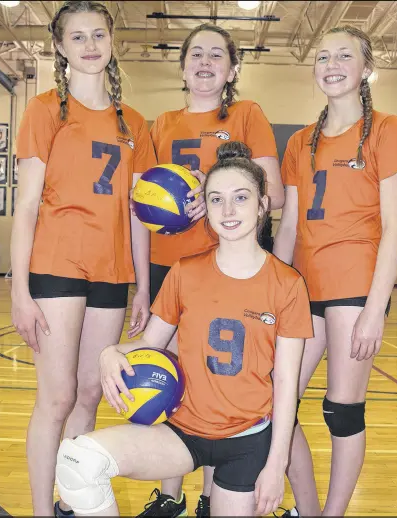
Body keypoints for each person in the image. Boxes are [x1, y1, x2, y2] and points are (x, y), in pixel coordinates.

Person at [54, 141, 313, 518]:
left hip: (246, 441)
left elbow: (287, 384)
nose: (228, 210)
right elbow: (150, 344)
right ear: (204, 209)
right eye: (216, 199)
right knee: (78, 461)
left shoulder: (288, 284)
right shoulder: (185, 272)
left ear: (261, 206)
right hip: (182, 433)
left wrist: (276, 466)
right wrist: (110, 352)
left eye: (241, 198)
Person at [10, 2, 156, 516]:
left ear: (112, 40)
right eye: (78, 37)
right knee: (56, 398)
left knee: (91, 392)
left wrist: (142, 284)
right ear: (61, 46)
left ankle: (72, 498)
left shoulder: (134, 121)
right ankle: (41, 510)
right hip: (56, 268)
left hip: (112, 272)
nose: (90, 45)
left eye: (98, 34)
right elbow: (27, 205)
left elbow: (140, 211)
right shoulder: (45, 109)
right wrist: (19, 291)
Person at [142, 25, 284, 515]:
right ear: (182, 66)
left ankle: (209, 497)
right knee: (168, 379)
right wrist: (143, 286)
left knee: (212, 382)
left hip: (227, 272)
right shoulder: (160, 124)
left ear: (232, 69)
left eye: (216, 55)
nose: (205, 62)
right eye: (195, 54)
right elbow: (142, 205)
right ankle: (168, 495)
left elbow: (277, 194)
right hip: (170, 270)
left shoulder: (247, 115)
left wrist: (212, 188)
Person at [273, 25, 397, 517]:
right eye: (324, 56)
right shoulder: (300, 143)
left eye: (344, 56)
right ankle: (307, 510)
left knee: (342, 410)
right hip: (302, 289)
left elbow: (395, 227)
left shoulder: (387, 130)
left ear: (365, 68)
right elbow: (287, 226)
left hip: (355, 287)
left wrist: (375, 311)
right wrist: (272, 294)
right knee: (274, 404)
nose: (331, 64)